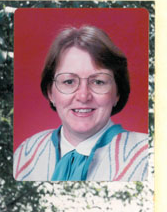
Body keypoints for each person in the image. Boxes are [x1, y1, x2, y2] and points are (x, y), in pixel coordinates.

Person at [14, 25, 149, 181]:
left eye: (98, 82)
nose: (83, 96)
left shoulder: (147, 153)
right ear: (51, 92)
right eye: (69, 81)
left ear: (117, 93)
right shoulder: (26, 153)